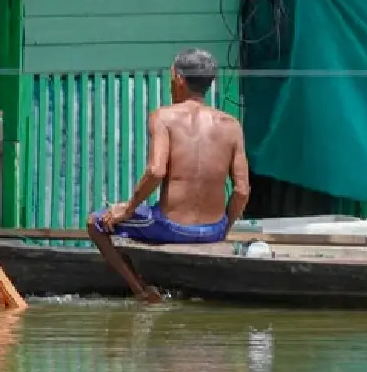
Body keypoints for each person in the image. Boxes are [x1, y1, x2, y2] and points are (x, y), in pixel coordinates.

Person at [89, 48, 251, 247]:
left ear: (179, 78)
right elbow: (242, 191)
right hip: (214, 230)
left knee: (96, 222)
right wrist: (223, 229)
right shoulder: (232, 125)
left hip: (171, 226)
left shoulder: (163, 117)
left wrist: (128, 208)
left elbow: (156, 171)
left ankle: (138, 281)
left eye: (171, 77)